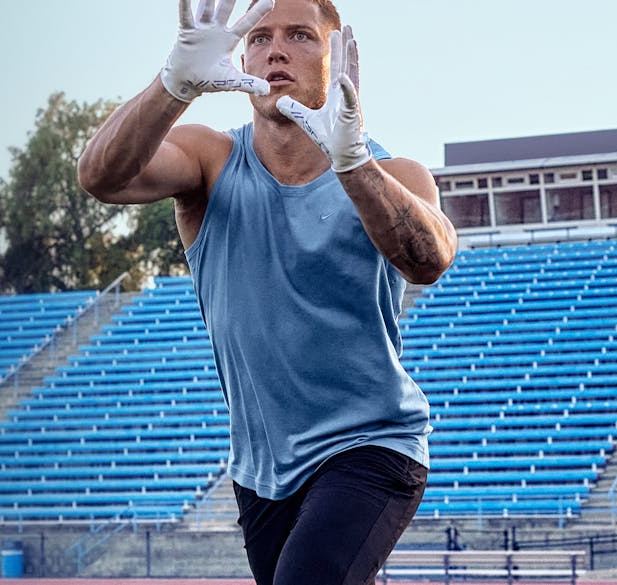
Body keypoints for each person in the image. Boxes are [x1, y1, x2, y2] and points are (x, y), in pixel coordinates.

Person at [75, 0, 458, 583]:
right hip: (261, 470)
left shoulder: (393, 172)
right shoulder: (211, 159)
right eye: (259, 37)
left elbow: (429, 259)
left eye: (300, 35)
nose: (275, 49)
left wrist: (352, 164)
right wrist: (172, 84)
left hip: (371, 446)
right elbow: (102, 177)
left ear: (336, 55)